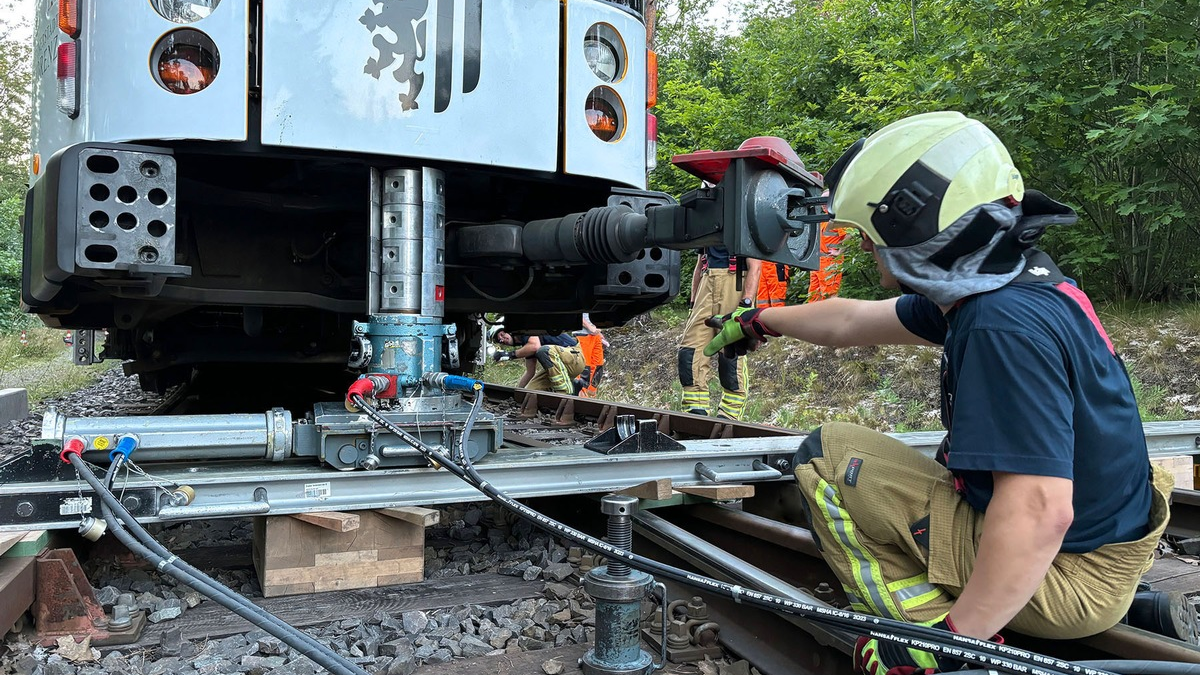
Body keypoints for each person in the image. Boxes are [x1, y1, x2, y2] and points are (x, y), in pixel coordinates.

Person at [703, 111, 1189, 670]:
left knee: (827, 456)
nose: (865, 248)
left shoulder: (998, 325)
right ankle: (1116, 610)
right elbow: (851, 323)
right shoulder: (1008, 283)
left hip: (1069, 574)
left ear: (917, 230)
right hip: (1109, 551)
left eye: (869, 233)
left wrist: (955, 641)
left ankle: (925, 634)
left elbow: (1038, 508)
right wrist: (765, 319)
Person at [678, 245, 760, 419]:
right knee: (691, 348)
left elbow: (755, 265)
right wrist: (693, 303)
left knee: (731, 350)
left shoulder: (742, 220)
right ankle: (695, 411)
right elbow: (699, 265)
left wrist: (746, 304)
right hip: (707, 282)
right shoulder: (708, 224)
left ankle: (729, 414)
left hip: (735, 281)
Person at [494, 330, 585, 394]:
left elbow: (535, 346)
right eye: (499, 340)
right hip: (563, 365)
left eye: (502, 334)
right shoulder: (527, 345)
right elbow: (530, 372)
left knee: (543, 350)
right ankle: (573, 386)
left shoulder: (528, 330)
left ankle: (565, 393)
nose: (502, 339)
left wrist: (509, 355)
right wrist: (517, 393)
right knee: (531, 391)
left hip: (574, 356)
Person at [574, 313, 608, 398]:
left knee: (598, 366)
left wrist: (597, 332)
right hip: (582, 334)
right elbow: (576, 313)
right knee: (584, 367)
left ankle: (590, 397)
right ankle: (580, 398)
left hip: (594, 335)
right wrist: (589, 327)